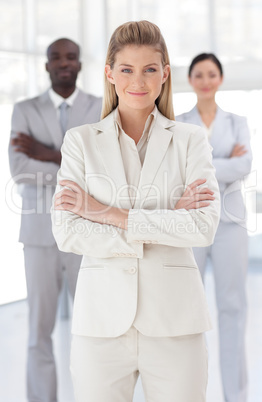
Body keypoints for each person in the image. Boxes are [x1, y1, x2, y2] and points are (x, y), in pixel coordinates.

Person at [51, 22, 220, 402]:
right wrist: (167, 219)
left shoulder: (191, 140)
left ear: (165, 74)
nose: (138, 81)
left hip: (176, 321)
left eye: (149, 69)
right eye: (126, 69)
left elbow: (203, 227)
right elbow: (67, 232)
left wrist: (106, 212)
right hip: (101, 323)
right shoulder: (79, 142)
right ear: (109, 73)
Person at [8, 38, 102, 402]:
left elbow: (100, 168)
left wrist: (48, 152)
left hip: (87, 232)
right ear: (46, 65)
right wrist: (71, 165)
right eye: (56, 57)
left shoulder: (99, 107)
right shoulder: (24, 109)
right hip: (38, 235)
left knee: (93, 330)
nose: (64, 63)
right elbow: (19, 169)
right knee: (38, 332)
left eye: (71, 57)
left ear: (80, 64)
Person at [176, 53, 252, 402]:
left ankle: (236, 395)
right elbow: (179, 172)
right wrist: (226, 162)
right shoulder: (179, 123)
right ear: (190, 80)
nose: (205, 80)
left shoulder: (237, 122)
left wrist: (204, 167)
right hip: (193, 221)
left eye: (212, 74)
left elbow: (245, 165)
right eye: (199, 74)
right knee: (190, 307)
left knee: (233, 306)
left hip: (230, 224)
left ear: (220, 78)